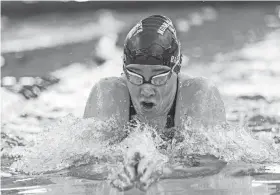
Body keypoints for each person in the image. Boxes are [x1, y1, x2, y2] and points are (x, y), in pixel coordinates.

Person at [83, 15, 226, 192]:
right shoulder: (108, 95)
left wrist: (164, 169)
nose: (147, 89)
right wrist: (113, 169)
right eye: (135, 76)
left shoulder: (198, 95)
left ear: (177, 68)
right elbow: (81, 163)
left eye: (159, 77)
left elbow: (214, 163)